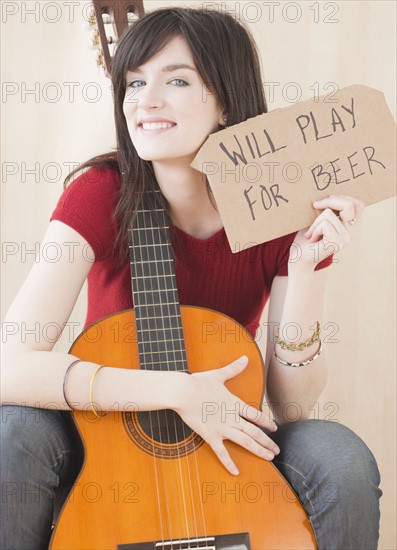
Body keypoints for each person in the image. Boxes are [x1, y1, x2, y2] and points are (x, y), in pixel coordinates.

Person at [1, 6, 381, 549]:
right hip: (104, 427)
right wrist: (176, 390)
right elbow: (9, 366)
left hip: (226, 425)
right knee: (12, 429)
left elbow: (292, 409)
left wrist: (307, 270)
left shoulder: (281, 206)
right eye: (134, 83)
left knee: (337, 454)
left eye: (176, 80)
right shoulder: (99, 193)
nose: (145, 101)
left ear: (226, 101)